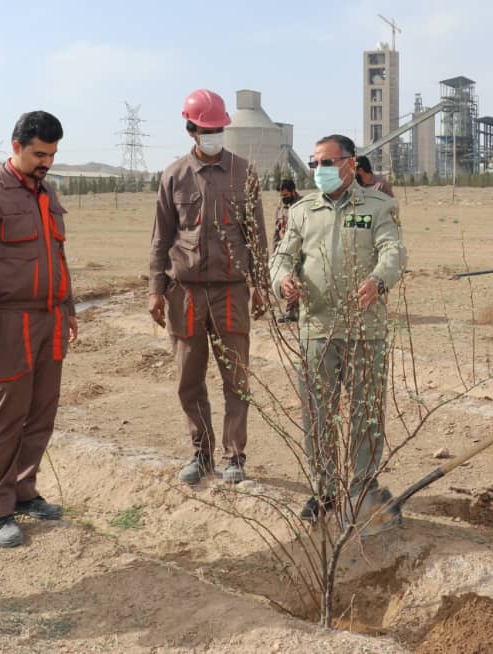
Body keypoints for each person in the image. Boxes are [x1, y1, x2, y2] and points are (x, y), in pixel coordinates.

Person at [0, 111, 78, 548]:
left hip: (50, 319)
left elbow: (57, 259)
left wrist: (69, 309)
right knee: (7, 416)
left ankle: (26, 492)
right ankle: (0, 508)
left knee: (42, 411)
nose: (46, 162)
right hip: (8, 322)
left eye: (52, 154)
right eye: (39, 154)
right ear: (16, 147)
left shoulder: (47, 195)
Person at [271, 134, 406, 524]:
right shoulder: (302, 211)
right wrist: (282, 282)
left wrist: (379, 279)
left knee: (366, 413)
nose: (319, 171)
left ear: (349, 164)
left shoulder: (379, 206)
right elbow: (281, 257)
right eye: (315, 165)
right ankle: (325, 491)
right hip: (317, 329)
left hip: (365, 330)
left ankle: (362, 487)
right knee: (318, 413)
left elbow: (393, 251)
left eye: (326, 163)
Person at [148, 89, 269, 485]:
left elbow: (257, 236)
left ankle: (235, 458)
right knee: (189, 378)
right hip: (184, 293)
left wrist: (260, 284)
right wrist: (155, 289)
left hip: (231, 291)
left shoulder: (243, 172)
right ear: (191, 130)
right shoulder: (174, 176)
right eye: (206, 129)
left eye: (219, 129)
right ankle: (200, 454)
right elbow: (161, 238)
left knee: (236, 379)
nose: (214, 135)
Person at [274, 178, 301, 324]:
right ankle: (291, 312)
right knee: (288, 280)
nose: (283, 198)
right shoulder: (281, 208)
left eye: (285, 195)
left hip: (300, 249)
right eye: (281, 196)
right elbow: (277, 230)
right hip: (285, 251)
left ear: (292, 191)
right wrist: (274, 251)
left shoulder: (303, 206)